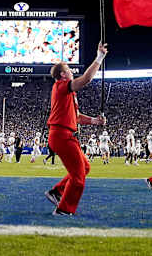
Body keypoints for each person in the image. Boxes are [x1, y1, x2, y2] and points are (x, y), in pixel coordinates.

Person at [43, 42, 108, 216]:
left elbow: (77, 117)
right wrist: (99, 58)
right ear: (63, 74)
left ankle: (57, 192)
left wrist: (94, 121)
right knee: (78, 176)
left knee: (84, 168)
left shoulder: (68, 93)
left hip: (65, 134)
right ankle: (64, 209)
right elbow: (86, 79)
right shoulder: (61, 86)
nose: (72, 71)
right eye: (69, 69)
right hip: (61, 135)